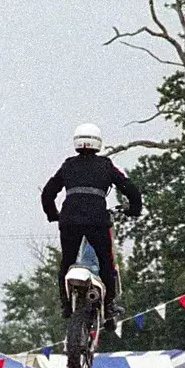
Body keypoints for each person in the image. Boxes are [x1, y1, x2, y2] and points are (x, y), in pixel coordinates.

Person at [40, 122, 143, 318]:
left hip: (69, 221)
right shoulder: (106, 165)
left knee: (67, 262)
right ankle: (110, 304)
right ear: (98, 143)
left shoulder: (68, 165)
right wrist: (134, 210)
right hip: (97, 221)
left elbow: (47, 193)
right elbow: (130, 189)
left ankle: (65, 305)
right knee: (106, 262)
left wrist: (53, 215)